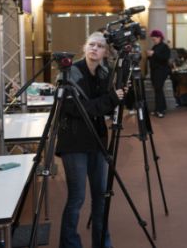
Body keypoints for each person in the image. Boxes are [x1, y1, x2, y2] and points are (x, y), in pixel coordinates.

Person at [57, 32, 126, 248]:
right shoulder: (70, 72)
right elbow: (78, 109)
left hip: (97, 141)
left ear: (106, 52)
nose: (94, 49)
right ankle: (70, 245)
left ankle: (102, 243)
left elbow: (112, 105)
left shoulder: (105, 74)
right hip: (74, 142)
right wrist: (111, 99)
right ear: (84, 47)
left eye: (99, 46)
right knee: (77, 199)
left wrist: (118, 95)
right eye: (91, 45)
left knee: (101, 197)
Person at [147, 29, 171, 118]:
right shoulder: (155, 47)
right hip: (155, 71)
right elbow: (153, 58)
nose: (154, 41)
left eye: (154, 39)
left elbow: (165, 58)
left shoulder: (164, 47)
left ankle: (160, 110)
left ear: (159, 38)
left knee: (158, 90)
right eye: (153, 39)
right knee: (158, 90)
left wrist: (154, 54)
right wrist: (149, 56)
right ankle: (161, 108)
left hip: (161, 71)